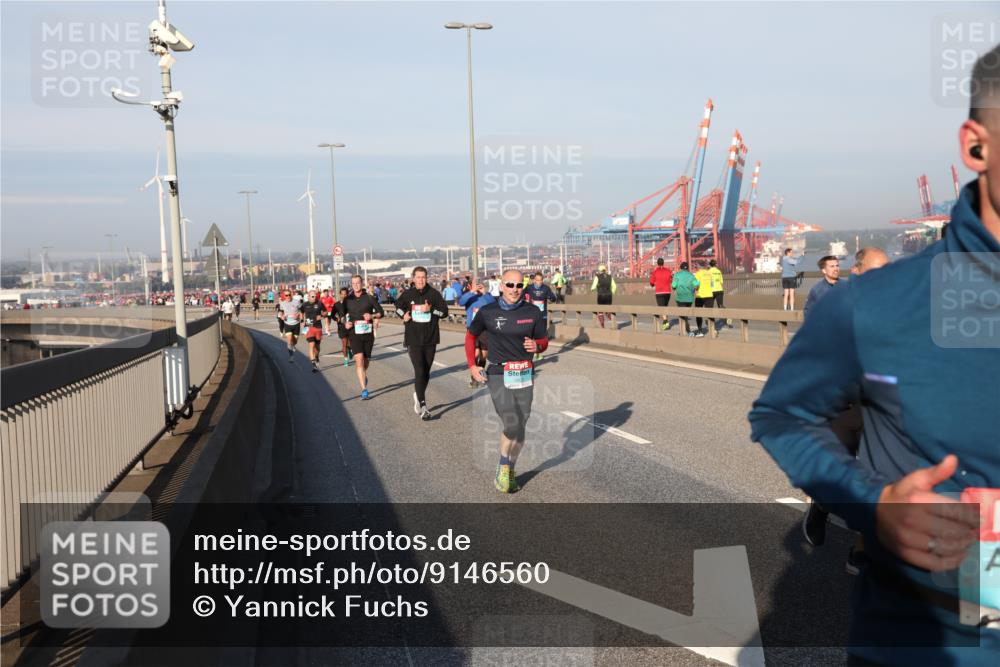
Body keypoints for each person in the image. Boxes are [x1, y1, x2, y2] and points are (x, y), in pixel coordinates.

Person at [749, 46, 1000, 666]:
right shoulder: (874, 305)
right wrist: (872, 502)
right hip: (932, 641)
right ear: (976, 146)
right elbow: (781, 415)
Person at [466, 269, 548, 493]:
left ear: (524, 287)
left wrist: (538, 346)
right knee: (512, 422)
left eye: (519, 285)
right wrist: (473, 365)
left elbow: (543, 340)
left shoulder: (532, 311)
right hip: (498, 372)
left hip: (524, 372)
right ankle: (503, 465)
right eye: (510, 285)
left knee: (522, 423)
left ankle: (510, 468)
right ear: (502, 286)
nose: (514, 289)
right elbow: (471, 336)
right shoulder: (488, 312)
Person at [395, 267, 449, 420]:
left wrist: (431, 310)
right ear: (413, 278)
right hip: (413, 339)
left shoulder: (434, 294)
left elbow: (444, 312)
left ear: (427, 278)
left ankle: (418, 394)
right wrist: (403, 315)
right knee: (419, 370)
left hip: (430, 339)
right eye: (418, 277)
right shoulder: (408, 294)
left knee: (425, 372)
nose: (421, 280)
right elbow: (397, 307)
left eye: (423, 277)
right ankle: (423, 405)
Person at [344, 275, 384, 400]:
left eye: (358, 283)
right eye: (353, 283)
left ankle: (363, 375)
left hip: (368, 334)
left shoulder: (369, 298)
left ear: (362, 283)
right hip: (354, 333)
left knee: (365, 362)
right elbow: (341, 315)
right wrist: (345, 323)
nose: (356, 285)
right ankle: (364, 390)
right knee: (359, 360)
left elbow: (381, 312)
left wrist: (372, 316)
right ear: (351, 285)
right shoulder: (348, 299)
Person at [458, 281, 496, 388]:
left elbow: (493, 303)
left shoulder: (486, 297)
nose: (477, 287)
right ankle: (474, 378)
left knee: (483, 355)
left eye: (479, 285)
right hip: (472, 328)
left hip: (485, 329)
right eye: (475, 285)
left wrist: (485, 292)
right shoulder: (469, 297)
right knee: (475, 353)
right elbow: (461, 302)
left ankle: (480, 375)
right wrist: (472, 292)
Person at [524, 272, 557, 360]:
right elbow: (521, 295)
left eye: (541, 280)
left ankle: (537, 352)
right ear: (534, 280)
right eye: (537, 280)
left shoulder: (546, 288)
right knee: (530, 333)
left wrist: (551, 298)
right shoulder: (529, 287)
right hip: (531, 314)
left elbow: (553, 298)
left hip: (542, 315)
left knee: (540, 335)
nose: (539, 282)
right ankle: (529, 353)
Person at [671, 261, 700, 336]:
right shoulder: (691, 275)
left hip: (680, 298)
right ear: (687, 268)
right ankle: (686, 331)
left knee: (682, 315)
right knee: (685, 314)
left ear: (680, 268)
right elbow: (696, 285)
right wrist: (695, 288)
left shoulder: (677, 275)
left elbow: (674, 286)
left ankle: (687, 331)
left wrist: (675, 288)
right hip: (689, 298)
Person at [300, 290, 326, 372]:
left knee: (317, 347)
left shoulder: (319, 303)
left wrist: (321, 315)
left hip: (318, 327)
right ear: (308, 297)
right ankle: (314, 365)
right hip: (308, 327)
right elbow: (301, 312)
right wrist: (302, 321)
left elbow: (325, 312)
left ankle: (317, 356)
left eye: (315, 296)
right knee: (311, 345)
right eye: (312, 296)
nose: (314, 298)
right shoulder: (304, 304)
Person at [277, 289, 303, 362]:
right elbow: (280, 312)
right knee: (289, 341)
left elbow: (302, 310)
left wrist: (298, 315)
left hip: (296, 324)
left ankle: (293, 345)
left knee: (295, 341)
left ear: (291, 295)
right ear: (284, 296)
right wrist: (282, 316)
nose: (288, 296)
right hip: (287, 324)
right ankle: (291, 356)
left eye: (289, 295)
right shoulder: (282, 303)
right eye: (286, 295)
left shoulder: (296, 302)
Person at [649, 258, 673, 330]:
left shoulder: (655, 272)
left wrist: (654, 284)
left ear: (657, 263)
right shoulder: (668, 271)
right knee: (665, 307)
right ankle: (666, 322)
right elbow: (671, 279)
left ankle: (665, 322)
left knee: (662, 308)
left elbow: (651, 283)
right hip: (667, 292)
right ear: (663, 263)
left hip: (659, 292)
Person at [694, 261, 716, 334]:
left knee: (698, 314)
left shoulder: (697, 274)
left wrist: (695, 289)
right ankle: (713, 330)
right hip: (709, 295)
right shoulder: (709, 274)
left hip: (700, 296)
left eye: (697, 265)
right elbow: (712, 285)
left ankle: (700, 330)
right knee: (710, 313)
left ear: (699, 266)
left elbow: (696, 285)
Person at [333, 286, 352, 366]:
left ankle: (350, 350)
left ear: (347, 294)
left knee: (350, 344)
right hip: (341, 327)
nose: (344, 296)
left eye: (345, 294)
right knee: (344, 343)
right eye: (342, 294)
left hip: (351, 326)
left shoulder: (351, 303)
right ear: (340, 294)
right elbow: (332, 315)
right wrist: (336, 319)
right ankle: (346, 359)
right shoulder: (336, 305)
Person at [708, 259, 729, 330]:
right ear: (715, 264)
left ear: (710, 265)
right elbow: (721, 282)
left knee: (710, 307)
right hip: (719, 290)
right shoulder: (719, 271)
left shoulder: (708, 272)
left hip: (711, 291)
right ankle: (726, 318)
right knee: (720, 305)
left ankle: (711, 322)